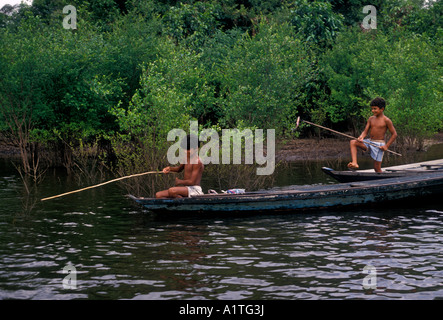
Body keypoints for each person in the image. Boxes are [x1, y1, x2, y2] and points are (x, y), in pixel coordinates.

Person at [348, 97, 397, 173]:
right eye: (372, 109)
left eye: (375, 109)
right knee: (353, 142)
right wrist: (361, 137)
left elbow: (394, 134)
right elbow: (365, 131)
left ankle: (383, 180)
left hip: (379, 145)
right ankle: (354, 163)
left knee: (376, 168)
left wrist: (386, 146)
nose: (372, 111)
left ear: (382, 109)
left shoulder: (386, 120)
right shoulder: (371, 119)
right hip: (369, 142)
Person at [155, 134, 204, 198]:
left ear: (196, 148)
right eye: (184, 149)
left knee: (172, 191)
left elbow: (192, 182)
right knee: (158, 195)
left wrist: (180, 182)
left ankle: (185, 203)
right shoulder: (186, 158)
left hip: (195, 190)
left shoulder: (198, 162)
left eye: (188, 149)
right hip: (186, 189)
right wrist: (169, 169)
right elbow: (179, 169)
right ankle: (177, 205)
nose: (185, 151)